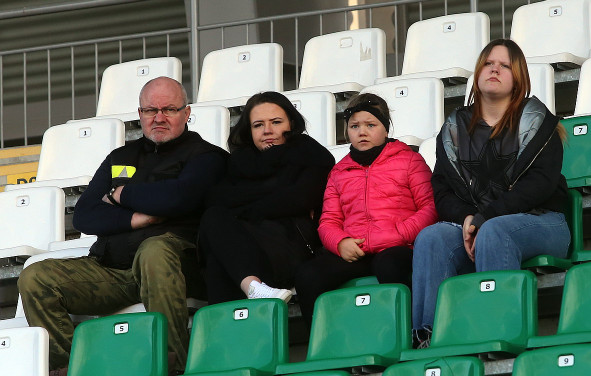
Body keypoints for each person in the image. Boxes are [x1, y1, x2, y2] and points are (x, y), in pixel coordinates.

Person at [18, 76, 228, 376]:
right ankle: (76, 371)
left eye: (169, 109)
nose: (159, 117)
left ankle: (175, 367)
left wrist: (121, 195)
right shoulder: (121, 157)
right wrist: (138, 219)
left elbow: (178, 198)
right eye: (151, 110)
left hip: (174, 268)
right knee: (35, 277)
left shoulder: (207, 157)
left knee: (154, 250)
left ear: (187, 113)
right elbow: (84, 216)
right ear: (140, 114)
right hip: (112, 270)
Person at [411, 39, 570, 348]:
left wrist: (485, 219)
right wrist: (467, 218)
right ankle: (430, 338)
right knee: (431, 238)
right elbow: (441, 190)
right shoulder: (454, 128)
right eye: (488, 63)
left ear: (518, 78)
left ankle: (496, 333)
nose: (494, 69)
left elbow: (538, 185)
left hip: (542, 221)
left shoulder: (538, 123)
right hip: (479, 224)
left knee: (496, 231)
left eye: (505, 65)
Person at [294, 93, 438, 326]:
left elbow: (430, 208)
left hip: (399, 247)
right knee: (308, 274)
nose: (362, 132)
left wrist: (397, 235)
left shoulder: (410, 160)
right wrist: (341, 243)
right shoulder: (339, 172)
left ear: (385, 129)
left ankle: (409, 333)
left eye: (371, 125)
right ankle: (323, 341)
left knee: (388, 265)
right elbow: (328, 220)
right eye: (355, 126)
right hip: (357, 251)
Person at [198, 91, 335, 304]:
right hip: (249, 248)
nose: (267, 130)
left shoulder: (309, 154)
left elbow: (299, 199)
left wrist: (245, 203)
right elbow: (216, 199)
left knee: (221, 257)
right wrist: (274, 193)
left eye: (276, 122)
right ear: (249, 130)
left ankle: (243, 301)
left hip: (292, 248)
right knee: (214, 220)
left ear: (291, 123)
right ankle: (253, 287)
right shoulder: (239, 162)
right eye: (258, 125)